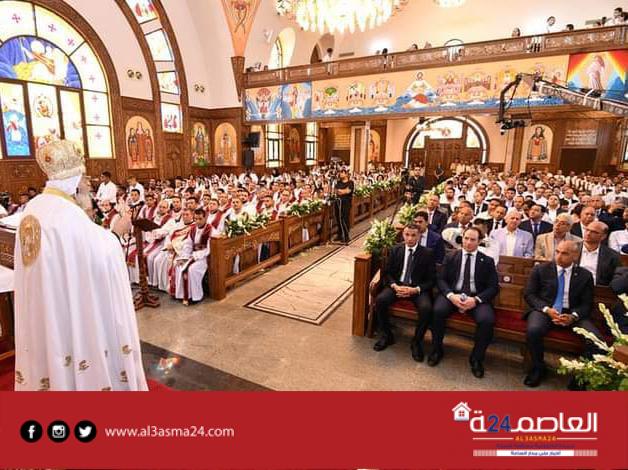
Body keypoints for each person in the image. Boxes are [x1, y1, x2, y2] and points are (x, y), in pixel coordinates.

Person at [14, 140, 147, 391]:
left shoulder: (35, 206)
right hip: (68, 307)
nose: (88, 184)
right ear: (74, 182)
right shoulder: (66, 213)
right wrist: (118, 232)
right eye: (85, 178)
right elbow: (99, 258)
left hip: (45, 305)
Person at [523, 240, 601, 388]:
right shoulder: (541, 269)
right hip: (545, 310)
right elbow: (530, 295)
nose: (559, 256)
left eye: (564, 253)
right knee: (533, 330)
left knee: (596, 340)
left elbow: (587, 304)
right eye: (557, 252)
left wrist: (573, 316)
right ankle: (538, 368)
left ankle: (580, 376)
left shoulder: (585, 275)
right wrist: (547, 309)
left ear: (575, 256)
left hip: (572, 313)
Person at [430, 227, 499, 378]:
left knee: (486, 320)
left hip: (476, 297)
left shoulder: (487, 261)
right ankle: (436, 350)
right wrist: (450, 295)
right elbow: (441, 279)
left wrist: (476, 300)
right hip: (453, 294)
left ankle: (476, 359)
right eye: (466, 238)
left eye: (473, 240)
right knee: (438, 311)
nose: (468, 242)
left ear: (479, 242)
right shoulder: (451, 256)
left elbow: (493, 287)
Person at [373, 224, 436, 362]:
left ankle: (416, 342)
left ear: (419, 236)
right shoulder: (395, 250)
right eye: (407, 235)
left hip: (416, 289)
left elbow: (431, 280)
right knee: (381, 300)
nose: (410, 238)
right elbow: (387, 273)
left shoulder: (427, 253)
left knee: (426, 308)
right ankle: (387, 335)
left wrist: (415, 289)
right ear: (403, 235)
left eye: (413, 235)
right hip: (398, 286)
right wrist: (394, 286)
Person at [578, 221, 620, 286]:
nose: (588, 233)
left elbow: (615, 278)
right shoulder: (572, 248)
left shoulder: (612, 256)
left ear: (603, 236)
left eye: (594, 232)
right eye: (587, 230)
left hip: (597, 289)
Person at [334, 168, 354, 244]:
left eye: (342, 172)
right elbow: (336, 191)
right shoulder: (338, 182)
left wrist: (342, 191)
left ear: (346, 174)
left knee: (344, 219)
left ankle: (346, 236)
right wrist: (342, 191)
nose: (340, 174)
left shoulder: (350, 182)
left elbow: (348, 191)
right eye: (340, 172)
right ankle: (339, 235)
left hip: (346, 203)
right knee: (338, 218)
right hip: (338, 202)